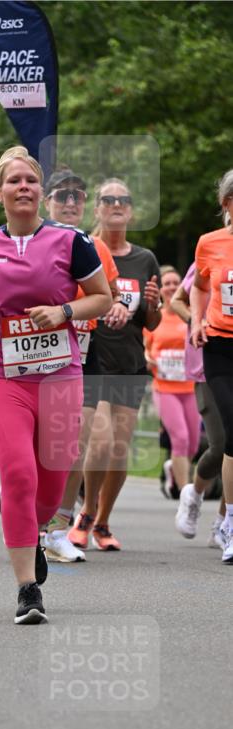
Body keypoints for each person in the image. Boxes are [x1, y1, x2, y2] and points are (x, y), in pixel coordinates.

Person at [0, 146, 111, 624]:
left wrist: (64, 311)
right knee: (19, 474)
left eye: (30, 180)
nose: (23, 187)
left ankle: (35, 525)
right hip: (0, 374)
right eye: (14, 181)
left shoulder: (72, 241)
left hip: (59, 375)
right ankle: (28, 589)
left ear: (40, 191)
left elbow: (102, 298)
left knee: (50, 487)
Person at [39, 168, 127, 563]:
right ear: (47, 201)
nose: (71, 202)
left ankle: (59, 526)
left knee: (76, 442)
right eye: (62, 195)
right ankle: (23, 499)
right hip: (36, 354)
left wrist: (120, 307)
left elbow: (109, 294)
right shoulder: (31, 242)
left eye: (78, 195)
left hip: (84, 353)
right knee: (35, 444)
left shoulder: (96, 247)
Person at [69, 178, 161, 551]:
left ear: (132, 210)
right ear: (97, 208)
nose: (116, 205)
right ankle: (86, 512)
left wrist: (153, 304)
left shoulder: (145, 259)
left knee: (119, 452)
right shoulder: (85, 249)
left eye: (124, 199)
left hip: (130, 362)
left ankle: (103, 521)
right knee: (101, 442)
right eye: (108, 199)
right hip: (93, 358)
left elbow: (151, 323)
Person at [190, 168, 233, 564]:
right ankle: (231, 523)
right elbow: (200, 287)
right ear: (227, 204)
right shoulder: (210, 243)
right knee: (231, 434)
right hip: (220, 346)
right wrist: (195, 322)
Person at [172, 263, 226, 546]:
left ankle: (222, 524)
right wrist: (197, 321)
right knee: (221, 445)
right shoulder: (212, 251)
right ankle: (194, 493)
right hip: (210, 366)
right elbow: (177, 301)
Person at [143, 266, 199, 497]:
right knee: (181, 438)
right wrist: (150, 361)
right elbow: (145, 351)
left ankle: (172, 468)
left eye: (176, 282)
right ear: (160, 289)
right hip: (164, 387)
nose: (172, 287)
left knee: (194, 444)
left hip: (191, 387)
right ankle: (185, 493)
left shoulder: (192, 314)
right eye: (167, 283)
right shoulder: (156, 319)